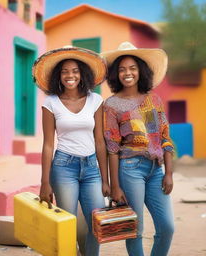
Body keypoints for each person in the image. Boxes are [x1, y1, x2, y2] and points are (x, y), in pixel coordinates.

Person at [32, 45, 110, 256]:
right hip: (63, 167)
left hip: (91, 168)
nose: (70, 75)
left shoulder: (95, 100)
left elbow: (100, 141)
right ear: (59, 76)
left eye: (75, 71)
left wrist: (105, 179)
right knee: (69, 224)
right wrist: (44, 182)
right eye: (65, 71)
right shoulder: (51, 103)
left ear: (82, 74)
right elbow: (48, 144)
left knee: (96, 221)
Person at [102, 42, 175, 256]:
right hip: (130, 168)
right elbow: (112, 148)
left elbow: (164, 136)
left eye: (132, 68)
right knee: (135, 229)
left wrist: (168, 173)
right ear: (117, 74)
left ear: (140, 70)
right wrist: (115, 186)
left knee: (167, 227)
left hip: (156, 170)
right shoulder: (111, 105)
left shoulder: (153, 99)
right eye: (122, 69)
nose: (128, 73)